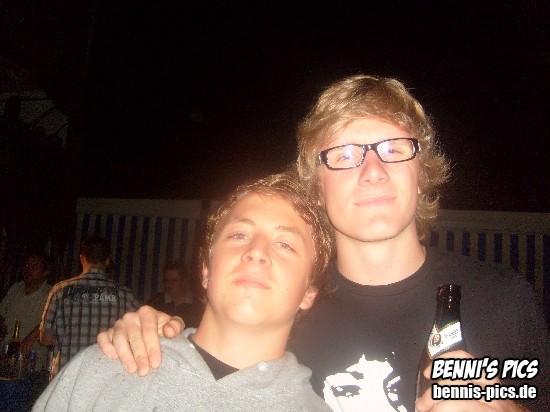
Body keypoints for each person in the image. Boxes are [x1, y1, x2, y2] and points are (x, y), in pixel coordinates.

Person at [97, 75, 550, 411]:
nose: (373, 172)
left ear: (422, 171)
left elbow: (532, 394)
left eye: (394, 148)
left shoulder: (501, 300)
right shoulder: (289, 309)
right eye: (345, 155)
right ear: (316, 188)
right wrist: (153, 336)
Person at [33, 172, 333, 411]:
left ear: (310, 292)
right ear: (205, 269)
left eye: (285, 244)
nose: (256, 251)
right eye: (239, 234)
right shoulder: (99, 371)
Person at [39, 235, 140, 377]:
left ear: (82, 259)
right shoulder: (125, 295)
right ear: (107, 261)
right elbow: (137, 334)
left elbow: (45, 338)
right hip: (107, 377)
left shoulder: (60, 290)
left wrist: (69, 336)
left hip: (67, 376)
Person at [0, 253, 51, 365]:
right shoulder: (16, 288)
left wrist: (32, 336)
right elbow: (2, 314)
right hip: (6, 354)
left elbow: (52, 322)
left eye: (34, 267)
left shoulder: (51, 294)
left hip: (32, 360)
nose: (28, 270)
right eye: (26, 266)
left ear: (45, 272)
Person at [145, 261, 201, 328]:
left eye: (173, 280)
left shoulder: (196, 303)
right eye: (167, 280)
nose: (169, 284)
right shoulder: (156, 301)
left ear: (183, 282)